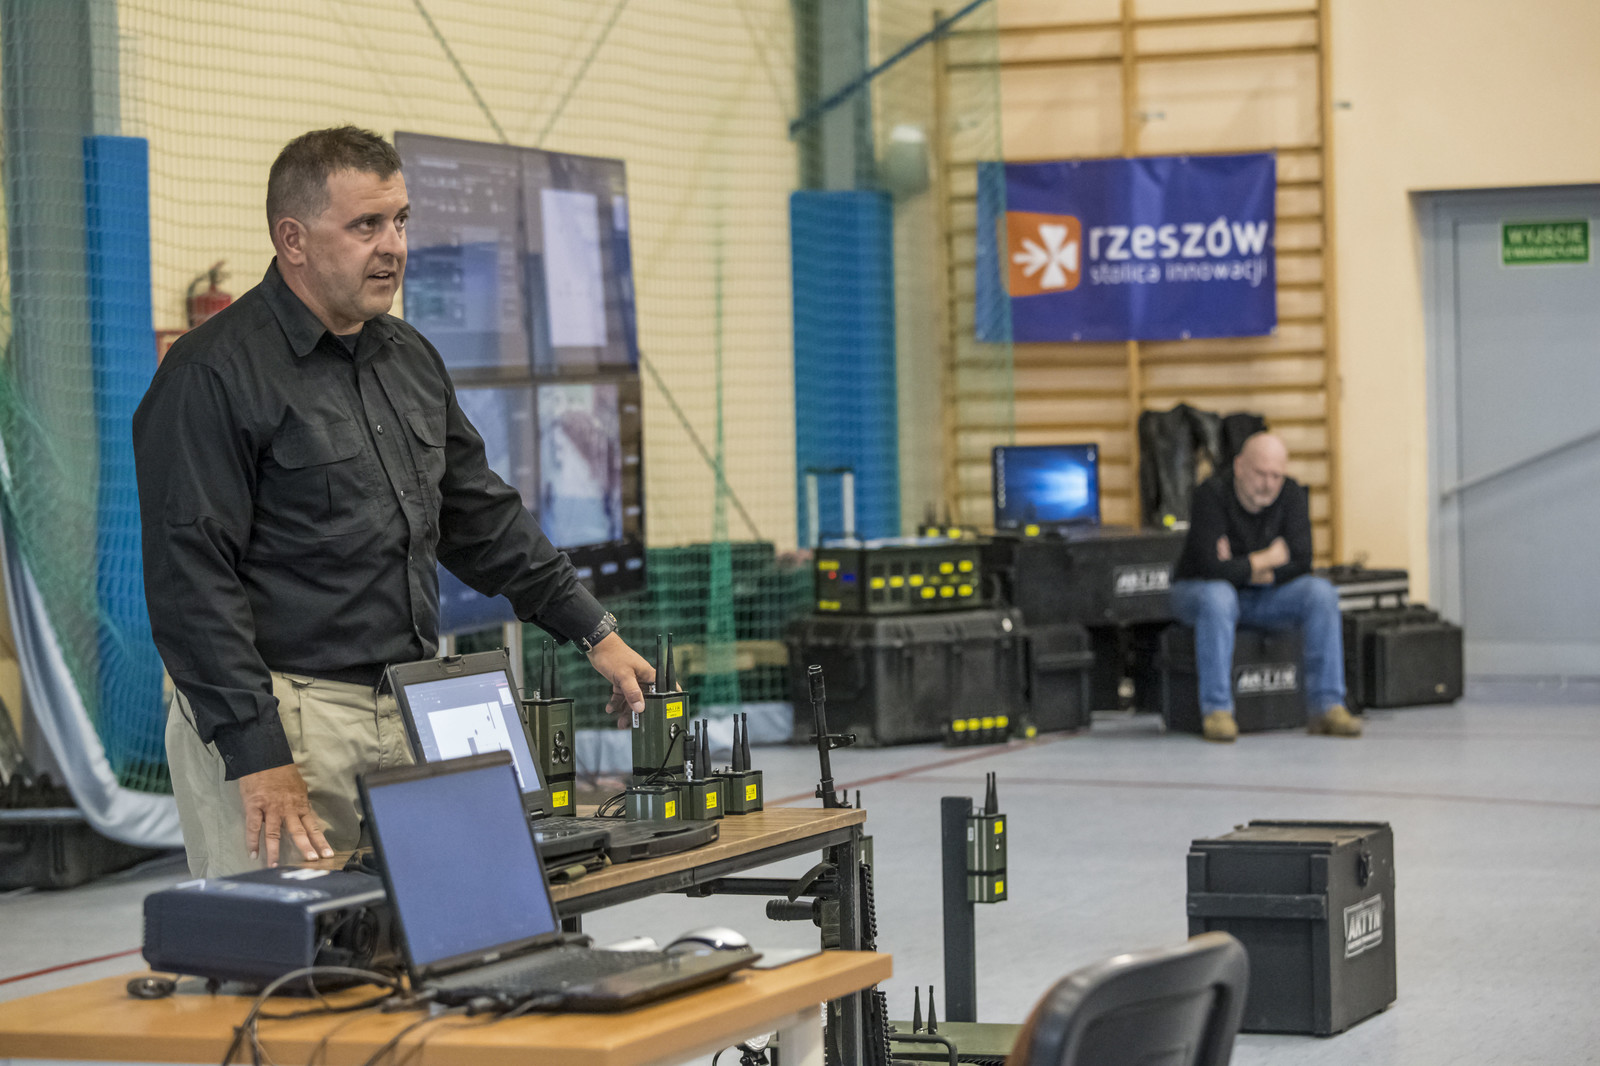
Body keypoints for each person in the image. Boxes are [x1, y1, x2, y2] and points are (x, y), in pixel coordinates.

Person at [134, 127, 654, 877]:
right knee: (295, 947)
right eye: (366, 225)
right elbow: (191, 582)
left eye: (401, 220)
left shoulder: (408, 357)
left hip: (409, 711)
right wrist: (257, 752)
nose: (394, 246)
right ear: (293, 239)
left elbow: (479, 515)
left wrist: (592, 630)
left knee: (433, 934)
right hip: (287, 723)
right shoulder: (210, 375)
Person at [1168, 432, 1361, 743]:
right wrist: (1268, 558)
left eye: (1276, 476)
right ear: (1239, 467)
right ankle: (1217, 710)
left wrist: (1243, 568)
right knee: (1219, 596)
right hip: (1198, 592)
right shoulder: (1210, 494)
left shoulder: (1292, 494)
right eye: (1260, 474)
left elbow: (1302, 561)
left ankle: (1328, 706)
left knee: (1320, 593)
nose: (1268, 484)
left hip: (1263, 594)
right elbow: (1211, 568)